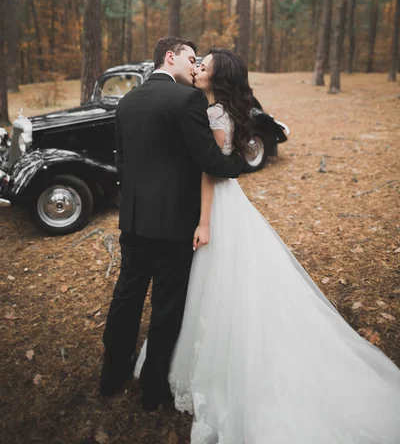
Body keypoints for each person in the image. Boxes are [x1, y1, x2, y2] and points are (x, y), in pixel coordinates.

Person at [135, 48, 400, 442]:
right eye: (196, 63)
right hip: (220, 205)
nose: (196, 68)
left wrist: (204, 222)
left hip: (218, 209)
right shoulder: (207, 107)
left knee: (222, 284)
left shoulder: (215, 113)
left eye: (203, 66)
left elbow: (211, 174)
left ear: (216, 76)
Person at [100, 37, 244, 411]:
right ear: (171, 56)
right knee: (167, 305)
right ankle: (153, 389)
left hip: (133, 220)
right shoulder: (187, 100)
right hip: (174, 223)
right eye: (191, 58)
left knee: (126, 297)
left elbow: (123, 161)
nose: (195, 65)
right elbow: (209, 160)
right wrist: (236, 166)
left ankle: (112, 374)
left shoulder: (127, 101)